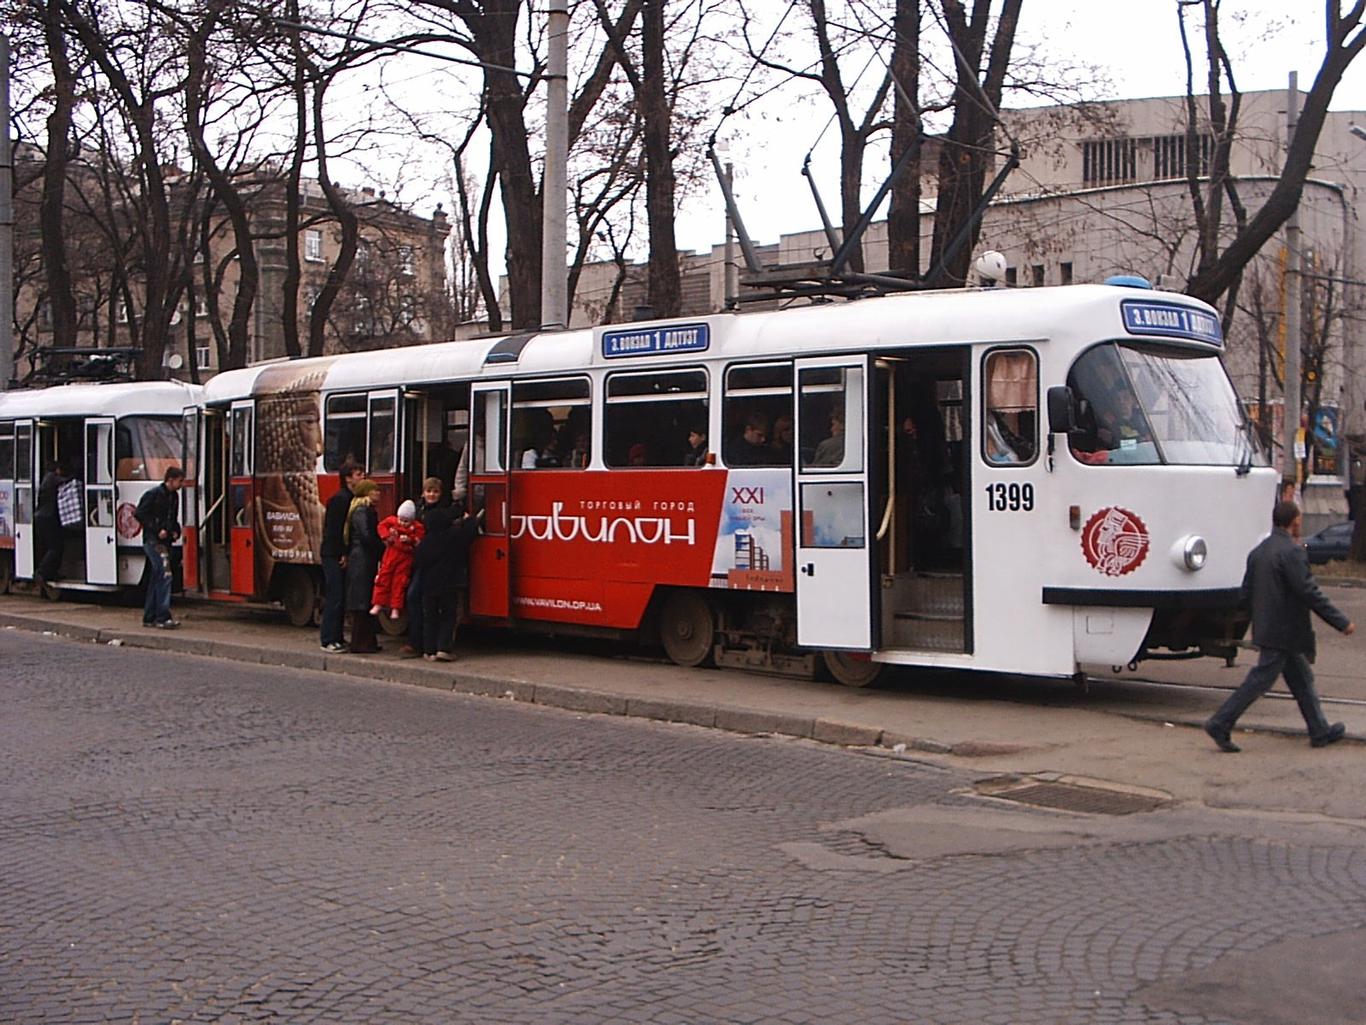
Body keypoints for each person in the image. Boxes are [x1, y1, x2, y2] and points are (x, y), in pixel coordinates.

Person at [1204, 500, 1357, 753]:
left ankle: (1319, 730)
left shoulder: (1259, 552)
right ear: (1295, 521)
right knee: (1259, 681)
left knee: (1302, 680)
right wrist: (1341, 622)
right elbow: (1309, 592)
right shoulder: (1292, 552)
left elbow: (1246, 594)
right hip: (1285, 631)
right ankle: (1221, 722)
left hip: (1271, 628)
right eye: (1299, 518)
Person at [413, 501, 481, 662]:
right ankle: (443, 648)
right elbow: (470, 532)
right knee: (448, 616)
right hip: (449, 583)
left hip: (428, 585)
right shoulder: (453, 536)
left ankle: (429, 650)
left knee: (430, 617)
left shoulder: (425, 542)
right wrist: (469, 518)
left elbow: (418, 562)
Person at [400, 478, 450, 658]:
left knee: (420, 599)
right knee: (414, 597)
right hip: (418, 559)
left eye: (435, 492)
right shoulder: (416, 509)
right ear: (423, 492)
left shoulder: (443, 511)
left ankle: (420, 643)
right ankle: (417, 641)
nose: (432, 495)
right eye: (429, 491)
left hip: (430, 563)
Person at [319, 462, 363, 653]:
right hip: (333, 554)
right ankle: (328, 639)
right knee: (335, 596)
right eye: (358, 474)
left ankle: (337, 637)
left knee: (341, 596)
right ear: (348, 479)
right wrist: (341, 553)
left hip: (337, 552)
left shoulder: (351, 498)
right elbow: (335, 530)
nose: (362, 477)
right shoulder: (340, 499)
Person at [134, 466, 185, 629]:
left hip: (163, 540)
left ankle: (150, 616)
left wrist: (175, 530)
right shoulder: (154, 494)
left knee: (156, 577)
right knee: (165, 575)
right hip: (153, 541)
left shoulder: (173, 497)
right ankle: (162, 616)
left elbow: (172, 518)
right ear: (170, 480)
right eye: (180, 481)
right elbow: (140, 513)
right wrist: (157, 529)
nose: (181, 484)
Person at [343, 479, 383, 653]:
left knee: (363, 601)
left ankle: (366, 642)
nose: (378, 494)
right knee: (363, 602)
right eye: (375, 491)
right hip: (363, 561)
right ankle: (361, 643)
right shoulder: (363, 511)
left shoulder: (361, 510)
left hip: (361, 559)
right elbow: (367, 536)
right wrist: (382, 547)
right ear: (367, 493)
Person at [370, 499, 424, 621]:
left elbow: (420, 539)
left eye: (406, 521)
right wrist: (387, 537)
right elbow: (381, 526)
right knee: (383, 578)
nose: (403, 523)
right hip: (391, 555)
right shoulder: (392, 521)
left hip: (405, 559)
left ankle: (395, 608)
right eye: (401, 520)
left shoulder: (417, 527)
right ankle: (378, 603)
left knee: (399, 583)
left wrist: (410, 540)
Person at [34, 460, 69, 583]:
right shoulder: (51, 478)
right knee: (55, 547)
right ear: (56, 469)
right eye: (60, 469)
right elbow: (65, 481)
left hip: (45, 517)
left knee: (57, 546)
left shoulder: (47, 478)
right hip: (47, 518)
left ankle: (52, 573)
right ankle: (42, 571)